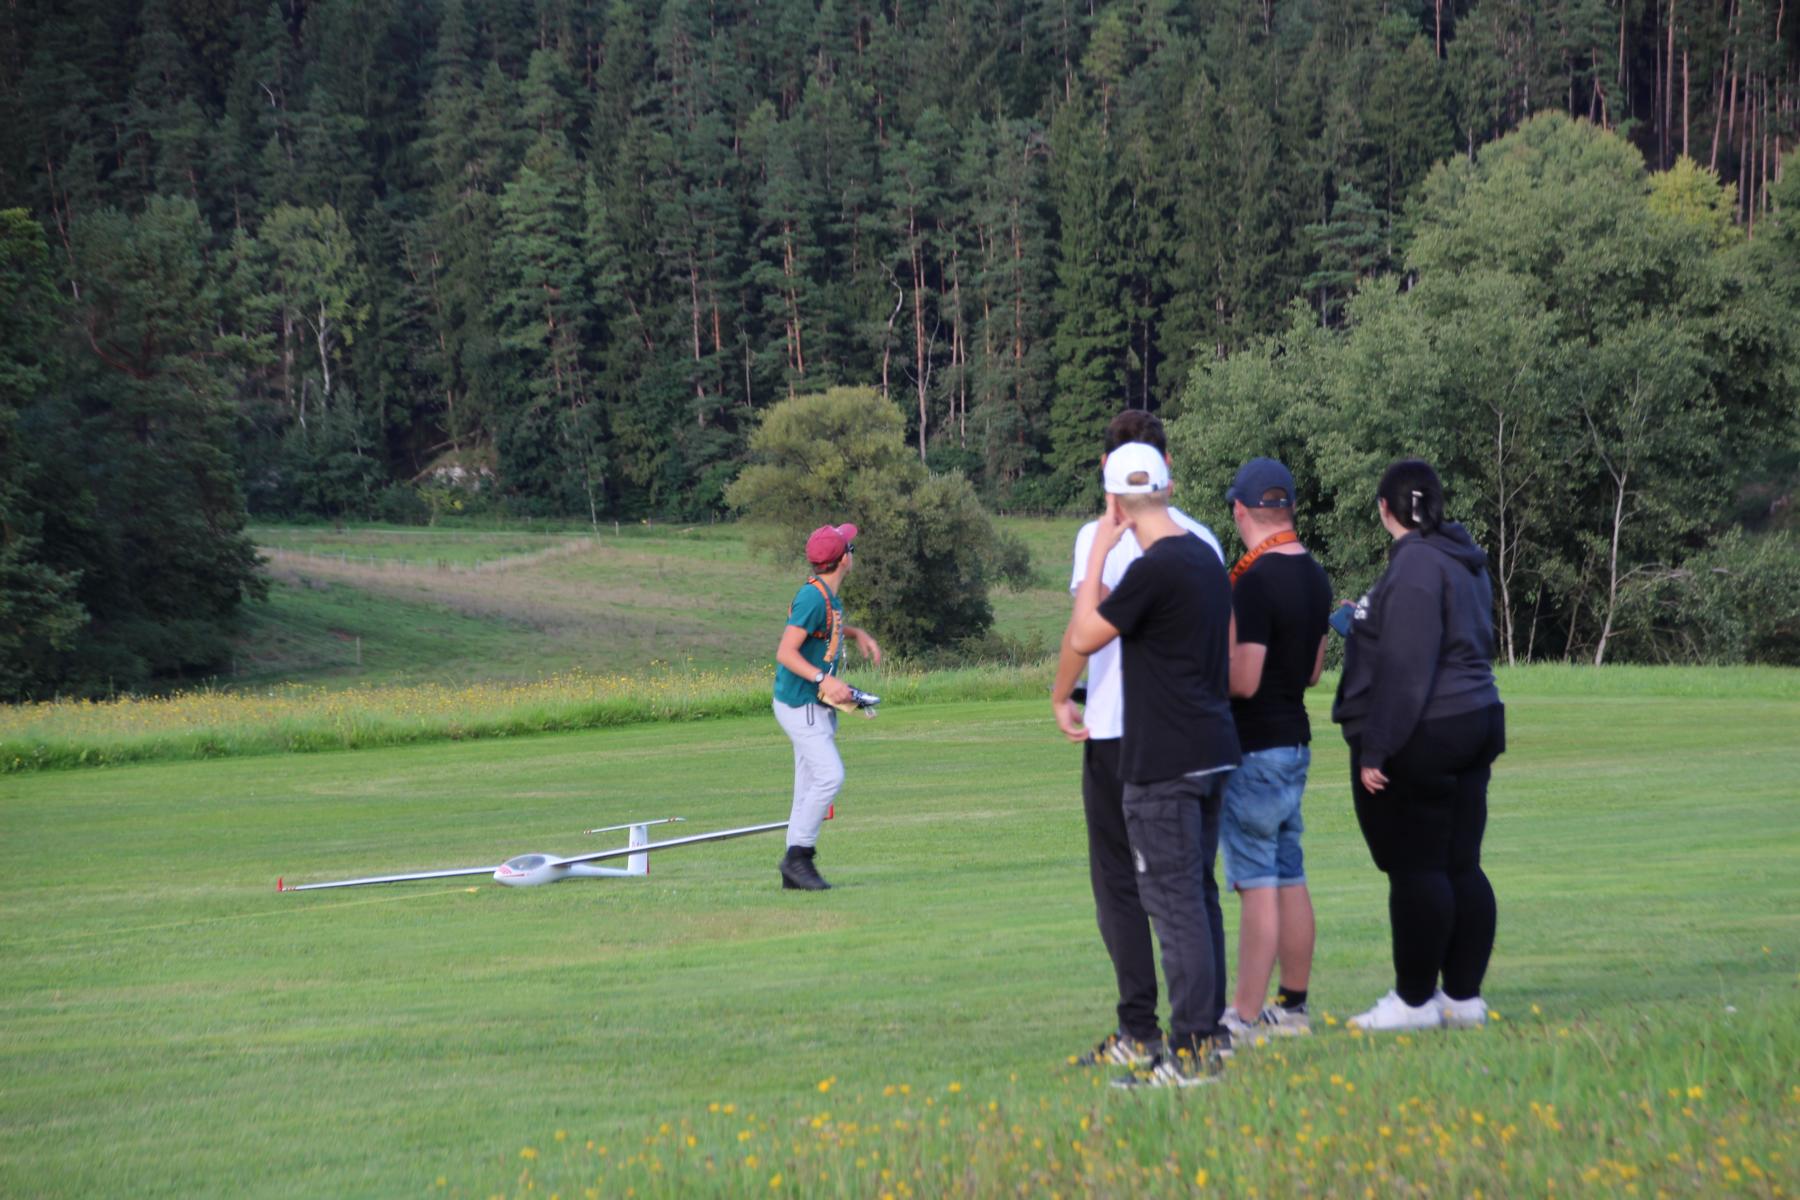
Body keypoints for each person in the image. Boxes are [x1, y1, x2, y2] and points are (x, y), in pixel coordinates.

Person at [1050, 411, 1224, 1070]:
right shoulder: (1202, 539)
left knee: (1121, 886)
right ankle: (1207, 1024)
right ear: (1166, 469)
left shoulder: (1100, 537)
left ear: (1109, 477)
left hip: (1127, 731)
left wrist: (1061, 695)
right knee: (1193, 886)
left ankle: (1143, 1027)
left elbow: (1084, 630)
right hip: (1203, 731)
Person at [1332, 459, 1505, 1031]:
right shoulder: (1463, 556)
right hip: (1477, 715)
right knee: (1461, 864)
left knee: (1417, 867)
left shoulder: (1413, 565)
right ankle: (1462, 997)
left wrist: (1377, 748)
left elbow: (1408, 667)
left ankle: (1412, 1002)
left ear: (1384, 509)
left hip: (1430, 727)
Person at [1216, 457, 1330, 1042]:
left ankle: (1242, 1016)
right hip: (1295, 740)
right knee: (1290, 872)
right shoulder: (1314, 575)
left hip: (1254, 746)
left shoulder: (1254, 580)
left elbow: (1244, 680)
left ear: (1240, 510)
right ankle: (1292, 1007)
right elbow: (1312, 672)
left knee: (1255, 881)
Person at [771, 523, 882, 891]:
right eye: (850, 547)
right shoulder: (813, 598)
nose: (853, 553)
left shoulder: (825, 596)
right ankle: (798, 857)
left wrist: (856, 633)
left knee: (807, 787)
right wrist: (824, 679)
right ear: (843, 560)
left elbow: (823, 627)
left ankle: (794, 873)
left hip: (811, 705)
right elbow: (786, 651)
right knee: (830, 776)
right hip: (801, 703)